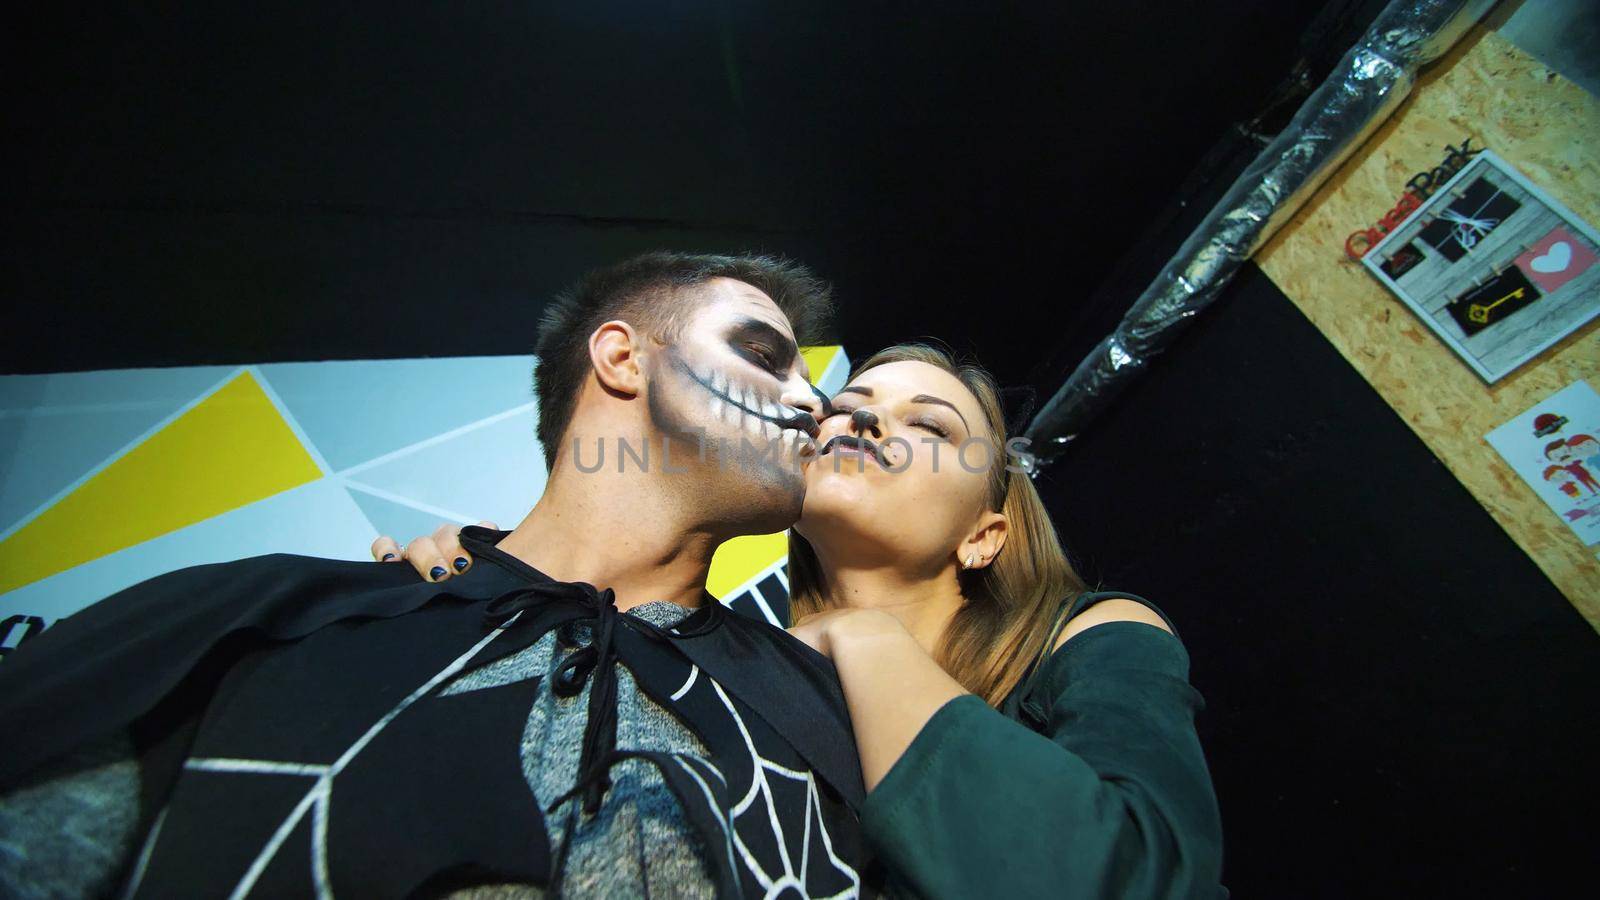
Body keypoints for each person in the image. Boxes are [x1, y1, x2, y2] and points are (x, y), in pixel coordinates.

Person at [0, 251, 885, 898]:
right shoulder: (269, 622)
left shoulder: (821, 708)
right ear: (621, 359)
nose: (813, 403)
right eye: (763, 357)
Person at [381, 343, 1229, 897]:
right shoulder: (726, 667)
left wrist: (862, 639)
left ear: (985, 534)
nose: (859, 418)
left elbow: (1139, 881)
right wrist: (482, 587)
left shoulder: (1092, 636)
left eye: (928, 424)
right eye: (847, 402)